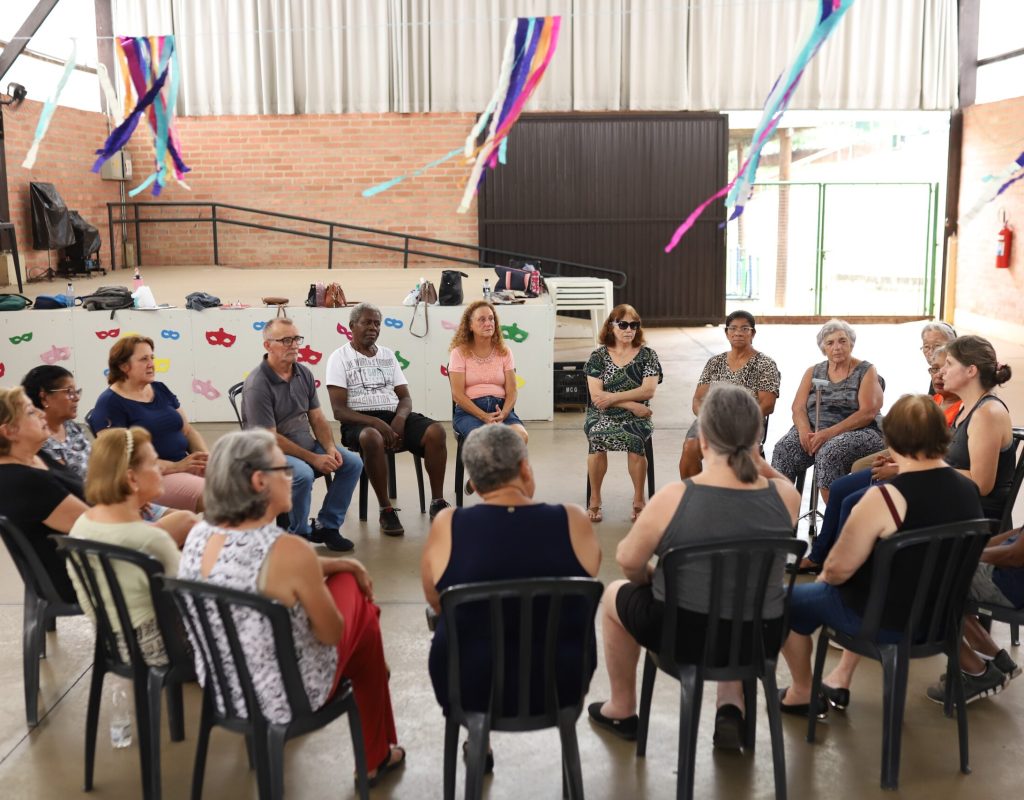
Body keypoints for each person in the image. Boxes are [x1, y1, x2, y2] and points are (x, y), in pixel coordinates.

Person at [178, 430, 405, 784]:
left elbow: (253, 573)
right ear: (258, 481)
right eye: (283, 469)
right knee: (358, 606)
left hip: (223, 688)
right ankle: (374, 755)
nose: (291, 477)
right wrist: (342, 573)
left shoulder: (198, 534)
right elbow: (331, 634)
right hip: (286, 697)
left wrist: (334, 565)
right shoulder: (286, 550)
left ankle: (377, 745)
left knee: (352, 600)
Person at [588, 385, 800, 750]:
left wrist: (650, 580)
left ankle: (621, 708)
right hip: (758, 637)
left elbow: (627, 560)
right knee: (735, 598)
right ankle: (730, 703)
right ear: (757, 438)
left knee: (612, 596)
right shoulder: (785, 498)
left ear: (702, 439)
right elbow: (772, 483)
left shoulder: (675, 497)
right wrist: (760, 463)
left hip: (683, 637)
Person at [779, 395, 986, 715]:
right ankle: (837, 679)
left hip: (884, 621)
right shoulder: (968, 492)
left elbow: (835, 570)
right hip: (940, 620)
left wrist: (827, 580)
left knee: (784, 602)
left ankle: (801, 692)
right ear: (944, 435)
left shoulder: (886, 498)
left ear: (891, 440)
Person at [422, 425, 600, 768]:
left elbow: (435, 600)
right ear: (524, 468)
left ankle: (478, 734)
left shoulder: (447, 524)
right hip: (561, 682)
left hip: (468, 687)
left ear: (473, 483)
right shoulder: (573, 520)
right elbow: (585, 581)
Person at [795, 346, 964, 573]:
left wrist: (897, 469)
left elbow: (934, 457)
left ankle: (846, 565)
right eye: (934, 369)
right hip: (908, 464)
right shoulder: (935, 401)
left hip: (914, 472)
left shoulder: (960, 410)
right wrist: (893, 461)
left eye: (945, 368)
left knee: (850, 500)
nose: (938, 375)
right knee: (839, 488)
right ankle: (821, 554)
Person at [68, 427, 196, 665]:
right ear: (131, 478)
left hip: (112, 641)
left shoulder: (82, 523)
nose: (160, 471)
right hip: (162, 648)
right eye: (155, 463)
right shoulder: (148, 538)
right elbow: (192, 596)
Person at [327, 303, 450, 537]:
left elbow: (405, 398)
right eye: (367, 322)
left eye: (377, 323)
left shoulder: (387, 355)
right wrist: (376, 423)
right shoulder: (339, 358)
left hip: (393, 416)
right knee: (372, 437)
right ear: (352, 326)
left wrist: (399, 420)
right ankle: (386, 509)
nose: (373, 328)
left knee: (436, 432)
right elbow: (339, 411)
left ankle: (437, 501)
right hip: (358, 421)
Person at [242, 317, 363, 552]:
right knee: (303, 475)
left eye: (296, 339)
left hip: (304, 445)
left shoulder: (303, 373)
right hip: (266, 452)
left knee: (352, 463)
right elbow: (270, 437)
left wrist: (328, 448)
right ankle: (298, 535)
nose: (295, 345)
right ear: (268, 346)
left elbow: (317, 417)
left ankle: (327, 526)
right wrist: (313, 458)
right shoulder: (258, 384)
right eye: (286, 340)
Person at [770, 319, 884, 504]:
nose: (837, 347)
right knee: (784, 449)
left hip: (859, 431)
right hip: (814, 431)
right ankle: (779, 518)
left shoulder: (866, 370)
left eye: (842, 341)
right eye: (830, 343)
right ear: (823, 348)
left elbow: (867, 413)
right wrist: (804, 431)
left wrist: (828, 434)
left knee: (829, 453)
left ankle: (835, 523)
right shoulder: (813, 371)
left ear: (851, 343)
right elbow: (797, 407)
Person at [89, 336, 208, 513]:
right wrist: (176, 466)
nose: (152, 363)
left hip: (184, 465)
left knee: (243, 480)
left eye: (152, 357)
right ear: (123, 366)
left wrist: (204, 458)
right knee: (218, 496)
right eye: (144, 359)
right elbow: (120, 460)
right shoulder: (109, 403)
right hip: (151, 476)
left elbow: (188, 431)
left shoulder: (159, 388)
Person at [0, 386, 89, 604]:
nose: (41, 413)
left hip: (91, 554)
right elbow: (94, 526)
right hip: (83, 573)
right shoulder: (23, 480)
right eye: (31, 412)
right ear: (9, 431)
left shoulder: (35, 456)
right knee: (183, 525)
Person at [584, 304, 663, 524]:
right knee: (597, 435)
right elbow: (597, 397)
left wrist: (614, 398)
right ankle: (595, 499)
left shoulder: (648, 355)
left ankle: (639, 500)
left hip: (637, 416)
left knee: (635, 438)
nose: (629, 329)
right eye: (624, 324)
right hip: (604, 414)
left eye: (634, 325)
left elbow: (648, 390)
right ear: (611, 326)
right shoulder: (598, 356)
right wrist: (632, 405)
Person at [679, 310, 780, 479]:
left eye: (744, 329)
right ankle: (694, 497)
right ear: (726, 333)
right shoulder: (715, 362)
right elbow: (698, 398)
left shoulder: (765, 364)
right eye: (733, 328)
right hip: (712, 419)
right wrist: (706, 418)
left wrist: (740, 421)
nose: (738, 333)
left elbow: (768, 404)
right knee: (691, 446)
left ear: (753, 333)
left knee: (737, 453)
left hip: (747, 421)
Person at [939, 335, 1015, 520]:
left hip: (972, 519)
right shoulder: (967, 408)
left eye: (949, 363)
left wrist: (925, 469)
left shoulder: (986, 414)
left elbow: (981, 484)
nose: (942, 371)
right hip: (954, 503)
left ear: (971, 370)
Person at [447, 300, 528, 443]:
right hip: (469, 413)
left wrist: (503, 414)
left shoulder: (505, 351)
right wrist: (484, 416)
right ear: (470, 326)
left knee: (520, 436)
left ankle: (504, 466)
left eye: (491, 318)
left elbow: (512, 390)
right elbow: (457, 395)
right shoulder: (458, 353)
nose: (488, 323)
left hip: (501, 410)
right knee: (485, 441)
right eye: (482, 319)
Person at [21, 365, 91, 483]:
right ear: (44, 397)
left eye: (76, 392)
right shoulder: (34, 439)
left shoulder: (72, 428)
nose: (77, 398)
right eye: (69, 392)